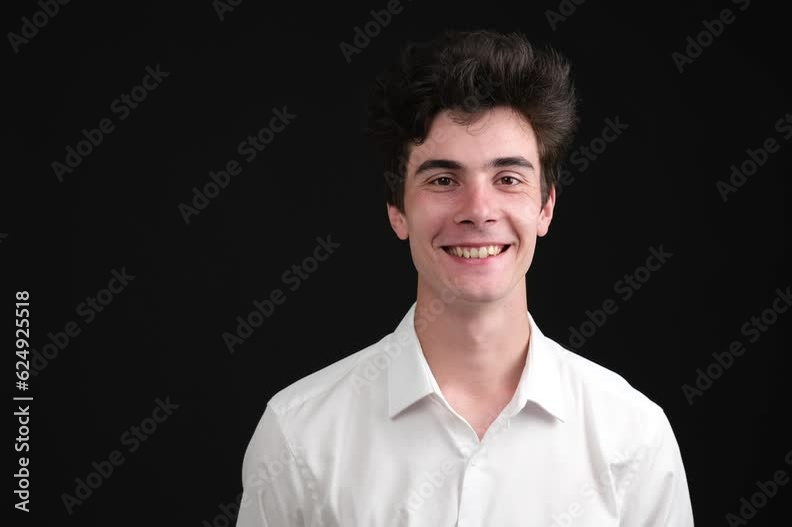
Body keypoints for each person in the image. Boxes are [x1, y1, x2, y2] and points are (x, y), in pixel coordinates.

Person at [236, 29, 694, 526]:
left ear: (545, 206)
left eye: (508, 179)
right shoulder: (299, 435)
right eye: (443, 180)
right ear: (396, 209)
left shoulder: (633, 437)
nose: (478, 210)